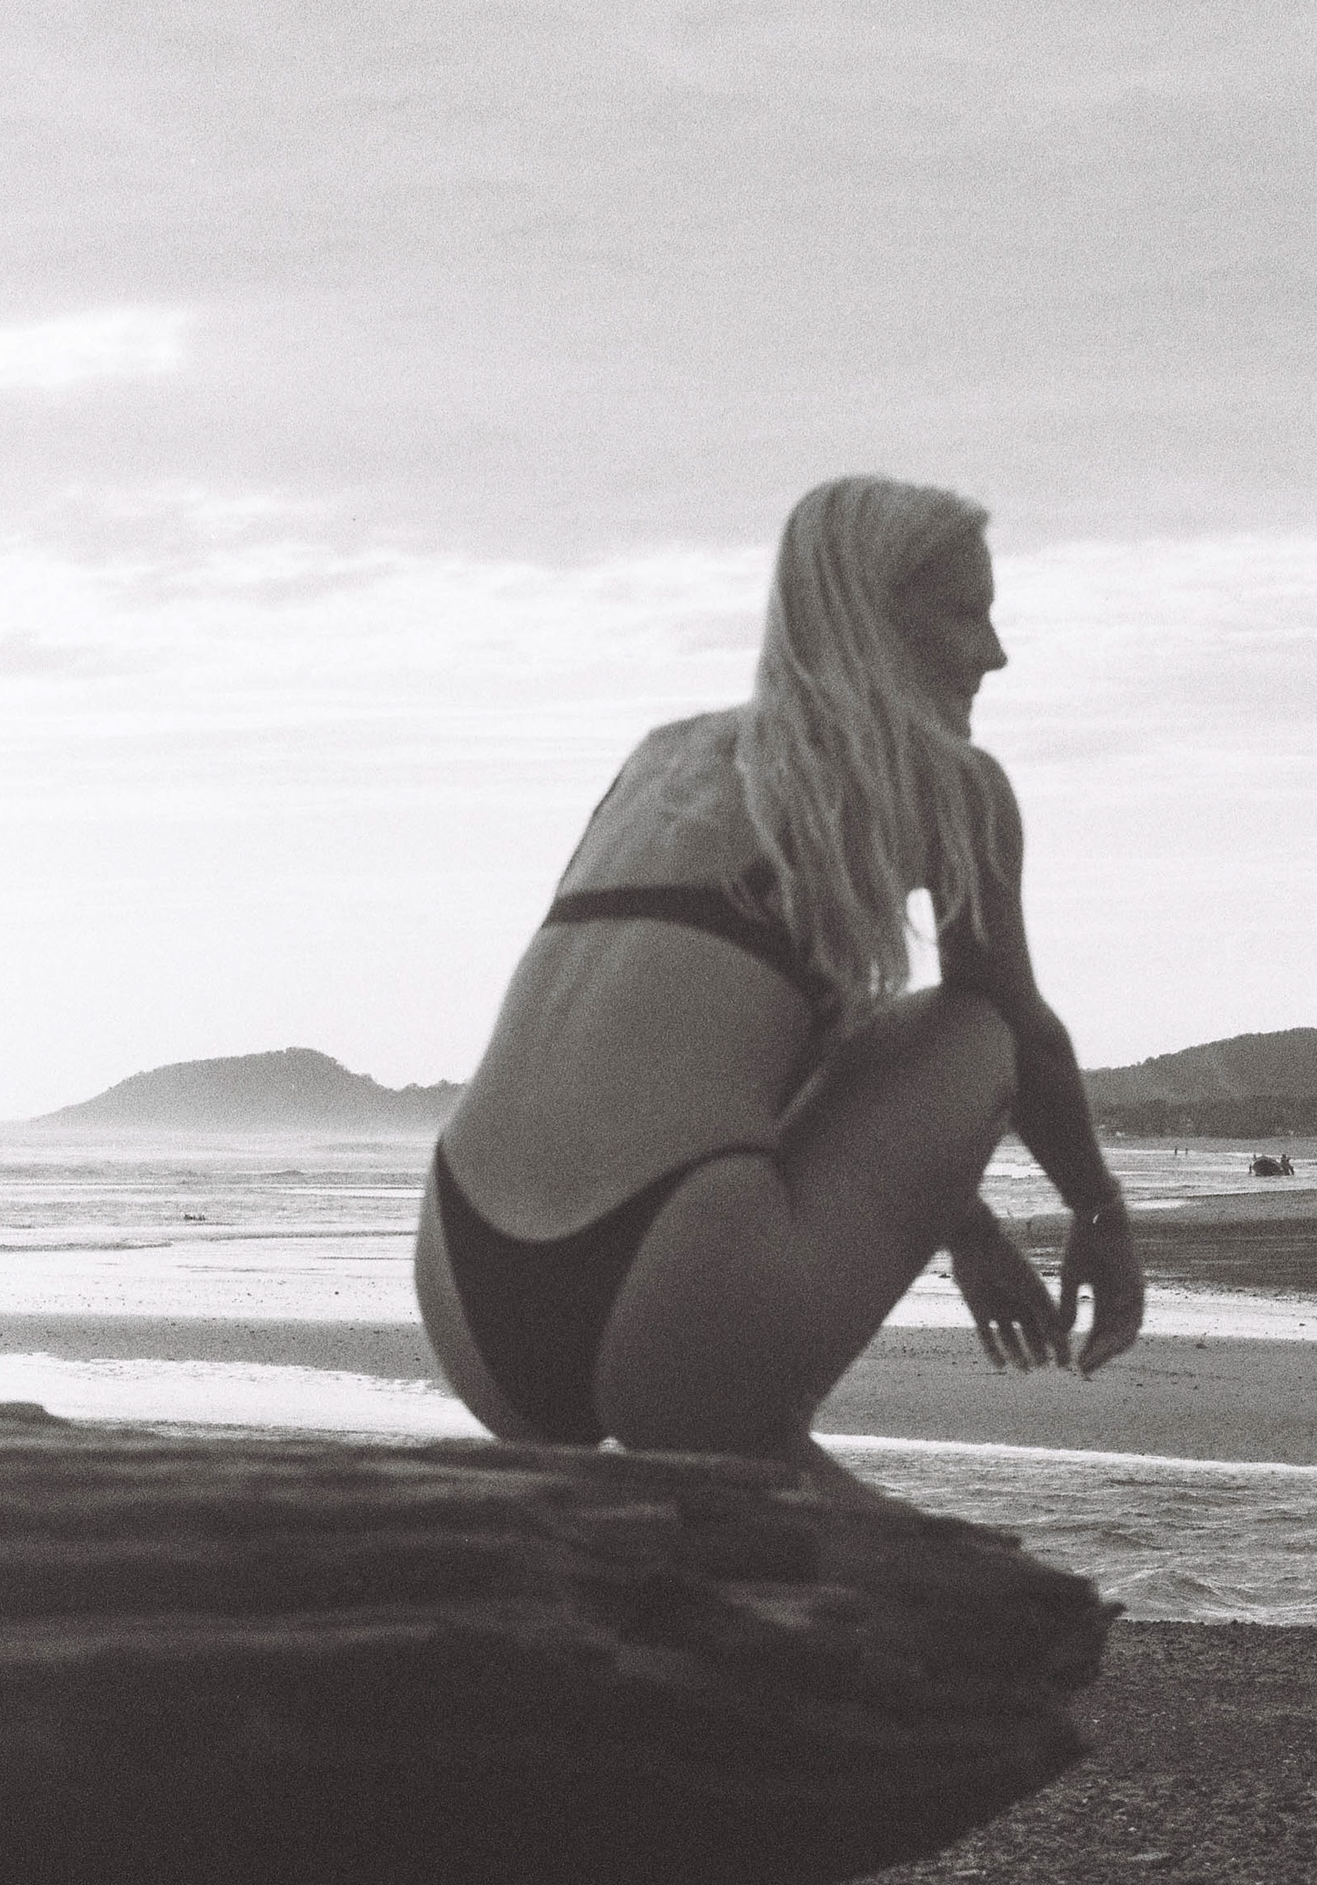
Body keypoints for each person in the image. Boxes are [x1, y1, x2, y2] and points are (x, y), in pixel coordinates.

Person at [416, 474, 1146, 1497]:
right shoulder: (953, 785)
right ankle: (758, 1437)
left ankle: (728, 1435)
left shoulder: (662, 761)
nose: (995, 652)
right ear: (871, 616)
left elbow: (708, 1054)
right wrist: (1100, 1214)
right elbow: (1027, 1039)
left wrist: (969, 1231)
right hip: (671, 1283)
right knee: (975, 1025)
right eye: (965, 613)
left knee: (798, 1043)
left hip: (467, 1290)